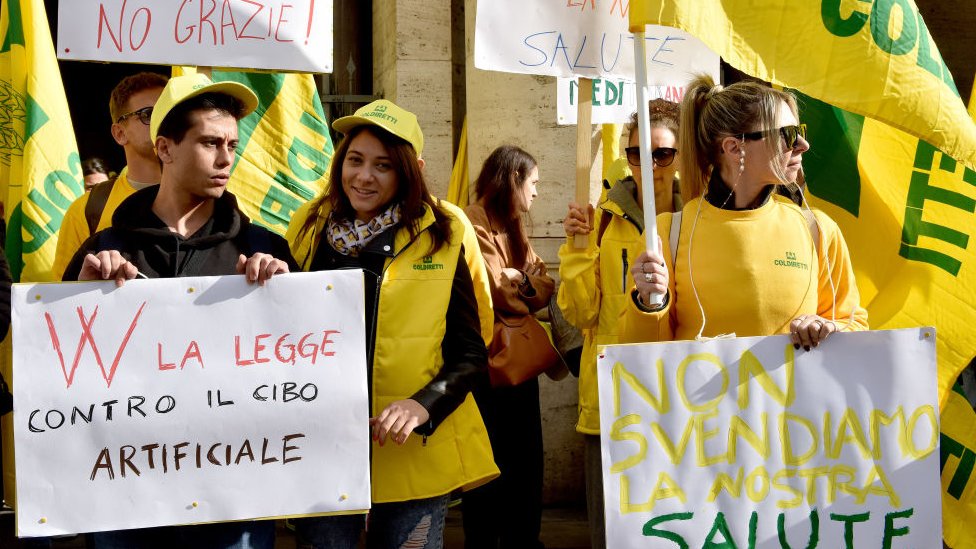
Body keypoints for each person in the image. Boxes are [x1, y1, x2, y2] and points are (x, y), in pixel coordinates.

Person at [63, 72, 295, 549]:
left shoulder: (265, 248)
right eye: (211, 143)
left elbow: (301, 368)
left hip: (235, 500)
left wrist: (289, 298)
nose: (227, 159)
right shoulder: (105, 248)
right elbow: (61, 367)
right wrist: (79, 299)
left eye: (232, 143)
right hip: (126, 498)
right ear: (165, 149)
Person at [285, 99, 498, 549]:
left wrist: (425, 404)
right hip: (324, 447)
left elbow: (473, 348)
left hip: (412, 454)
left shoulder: (446, 229)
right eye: (355, 160)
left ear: (411, 169)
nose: (364, 177)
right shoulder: (308, 223)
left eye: (383, 165)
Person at [620, 74, 868, 350]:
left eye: (801, 131)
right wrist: (649, 304)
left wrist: (828, 327)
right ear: (734, 147)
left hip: (794, 394)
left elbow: (853, 323)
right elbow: (640, 357)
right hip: (704, 394)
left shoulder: (817, 228)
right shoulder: (667, 233)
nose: (802, 145)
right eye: (786, 134)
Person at [556, 98, 683, 548]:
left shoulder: (704, 216)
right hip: (614, 399)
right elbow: (582, 313)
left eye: (661, 153)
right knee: (613, 533)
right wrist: (576, 249)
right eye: (636, 153)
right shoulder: (605, 221)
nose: (648, 164)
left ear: (682, 154)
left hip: (685, 400)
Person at [461, 145, 554, 549]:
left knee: (526, 463)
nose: (536, 193)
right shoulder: (473, 220)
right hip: (487, 364)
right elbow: (498, 291)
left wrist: (524, 281)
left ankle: (522, 540)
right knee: (489, 466)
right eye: (532, 182)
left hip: (517, 365)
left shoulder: (512, 224)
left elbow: (543, 289)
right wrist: (522, 282)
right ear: (513, 179)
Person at [54, 71, 169, 279]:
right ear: (119, 133)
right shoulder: (86, 210)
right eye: (148, 114)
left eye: (169, 112)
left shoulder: (213, 200)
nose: (163, 121)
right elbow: (60, 299)